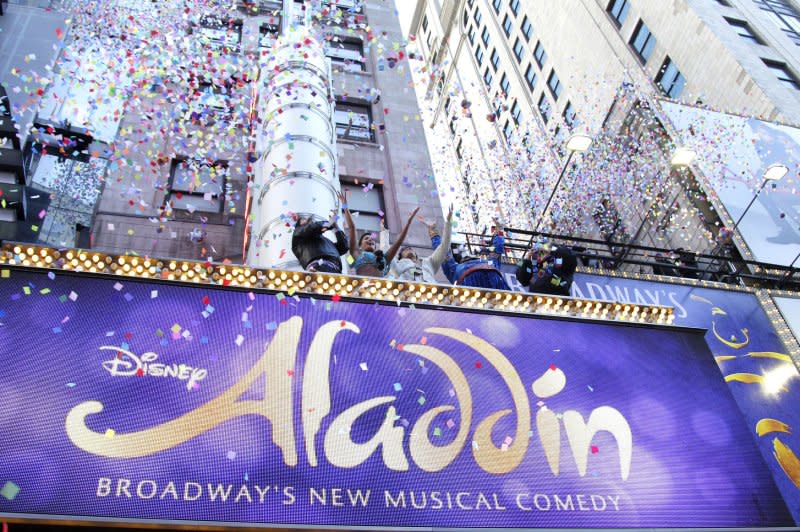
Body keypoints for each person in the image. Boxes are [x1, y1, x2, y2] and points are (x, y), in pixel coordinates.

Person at [340, 191, 418, 277]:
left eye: (372, 239)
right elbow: (352, 228)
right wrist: (345, 206)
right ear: (360, 246)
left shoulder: (384, 258)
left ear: (375, 247)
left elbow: (399, 242)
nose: (370, 239)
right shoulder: (356, 254)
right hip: (361, 288)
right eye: (366, 238)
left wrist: (408, 222)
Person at [389, 206, 453, 283]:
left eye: (410, 248)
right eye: (404, 250)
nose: (409, 249)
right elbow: (386, 252)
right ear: (400, 257)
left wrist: (448, 223)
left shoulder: (429, 262)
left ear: (416, 254)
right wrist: (384, 232)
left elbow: (444, 247)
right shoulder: (398, 265)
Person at [441, 218, 509, 290]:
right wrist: (499, 231)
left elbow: (443, 253)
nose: (464, 250)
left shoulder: (455, 270)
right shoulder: (490, 263)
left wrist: (434, 233)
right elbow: (497, 249)